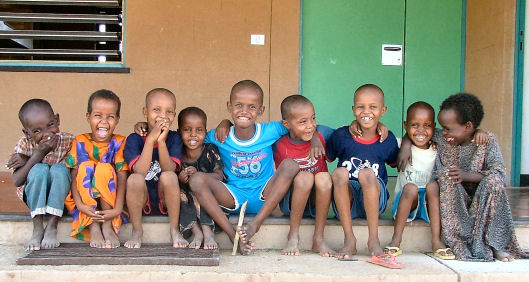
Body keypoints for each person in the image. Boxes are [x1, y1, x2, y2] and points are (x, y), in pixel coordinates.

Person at [187, 80, 324, 255]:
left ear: (261, 111)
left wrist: (315, 139)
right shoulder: (219, 135)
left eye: (252, 107)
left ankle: (254, 225)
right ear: (229, 106)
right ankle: (231, 234)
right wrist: (225, 123)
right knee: (197, 179)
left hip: (265, 194)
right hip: (232, 195)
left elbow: (302, 126)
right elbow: (193, 138)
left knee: (290, 164)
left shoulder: (270, 130)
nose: (244, 111)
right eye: (238, 105)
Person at [428, 93, 527, 261]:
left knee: (494, 182)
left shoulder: (486, 141)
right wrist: (407, 145)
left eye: (448, 128)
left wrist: (467, 175)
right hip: (454, 200)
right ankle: (459, 241)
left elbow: (500, 174)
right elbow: (417, 133)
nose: (443, 132)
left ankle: (494, 245)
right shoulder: (442, 138)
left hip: (484, 201)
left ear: (468, 126)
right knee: (446, 175)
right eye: (442, 127)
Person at [327, 84, 399, 259]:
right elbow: (324, 148)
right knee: (339, 173)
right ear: (353, 110)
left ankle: (373, 240)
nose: (366, 112)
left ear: (383, 110)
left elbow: (395, 162)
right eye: (361, 107)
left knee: (367, 174)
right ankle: (349, 240)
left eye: (373, 107)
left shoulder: (387, 139)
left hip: (375, 199)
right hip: (347, 202)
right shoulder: (341, 135)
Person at [384, 101, 456, 259]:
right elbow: (380, 133)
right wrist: (405, 144)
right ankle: (396, 239)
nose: (421, 131)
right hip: (408, 200)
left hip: (430, 202)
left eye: (427, 125)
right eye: (415, 125)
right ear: (405, 125)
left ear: (434, 127)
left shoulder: (438, 147)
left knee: (433, 186)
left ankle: (436, 240)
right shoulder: (398, 144)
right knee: (410, 187)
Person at [7, 99, 74, 251]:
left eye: (50, 125)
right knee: (39, 170)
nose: (46, 134)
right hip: (34, 198)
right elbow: (17, 180)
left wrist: (27, 160)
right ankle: (38, 227)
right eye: (37, 131)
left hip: (61, 198)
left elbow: (73, 173)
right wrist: (38, 154)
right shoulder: (24, 144)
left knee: (59, 169)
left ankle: (52, 225)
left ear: (57, 120)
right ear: (27, 133)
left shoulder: (70, 141)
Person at [64, 89, 128, 248]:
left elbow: (122, 178)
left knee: (105, 168)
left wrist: (117, 209)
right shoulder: (80, 141)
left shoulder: (120, 142)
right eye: (98, 115)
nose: (104, 122)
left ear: (118, 119)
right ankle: (93, 226)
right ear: (88, 117)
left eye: (110, 117)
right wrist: (80, 205)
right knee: (85, 167)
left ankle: (107, 225)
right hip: (84, 202)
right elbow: (73, 177)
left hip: (111, 203)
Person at [123, 88, 187, 249]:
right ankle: (137, 231)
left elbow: (170, 168)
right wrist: (150, 140)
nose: (163, 116)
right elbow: (140, 171)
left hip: (166, 201)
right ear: (145, 112)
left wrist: (162, 142)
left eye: (169, 111)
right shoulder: (134, 139)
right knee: (134, 179)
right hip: (142, 200)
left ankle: (174, 229)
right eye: (156, 110)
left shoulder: (174, 138)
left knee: (169, 176)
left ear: (174, 115)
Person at [273, 95, 334, 257]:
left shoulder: (322, 134)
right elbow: (250, 133)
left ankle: (319, 238)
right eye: (302, 122)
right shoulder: (277, 143)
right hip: (291, 201)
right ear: (286, 124)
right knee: (304, 177)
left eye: (313, 119)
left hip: (316, 202)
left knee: (324, 177)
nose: (310, 125)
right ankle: (293, 236)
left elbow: (349, 133)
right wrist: (226, 124)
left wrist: (380, 127)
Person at [177, 106, 224, 250]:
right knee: (182, 195)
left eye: (199, 130)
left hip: (208, 192)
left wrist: (199, 175)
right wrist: (181, 177)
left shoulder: (210, 149)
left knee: (201, 192)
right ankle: (196, 232)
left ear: (205, 131)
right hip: (186, 195)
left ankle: (208, 232)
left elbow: (219, 175)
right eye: (187, 130)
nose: (193, 135)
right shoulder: (177, 151)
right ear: (179, 132)